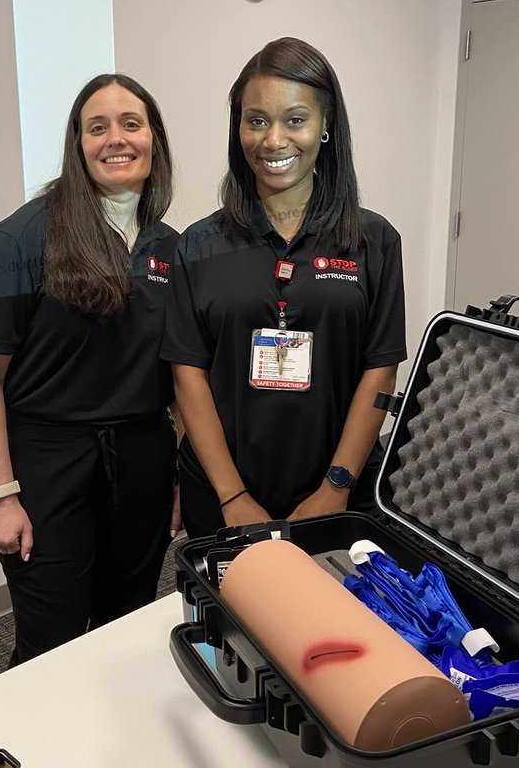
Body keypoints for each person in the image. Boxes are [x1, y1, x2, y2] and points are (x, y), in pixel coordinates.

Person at [0, 74, 179, 664]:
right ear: (77, 142)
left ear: (153, 139)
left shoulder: (169, 246)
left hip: (142, 461)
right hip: (47, 465)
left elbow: (179, 379)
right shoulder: (23, 237)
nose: (116, 139)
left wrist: (178, 475)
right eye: (98, 126)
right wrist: (1, 495)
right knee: (48, 646)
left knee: (125, 627)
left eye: (131, 124)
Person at [162, 37, 406, 537]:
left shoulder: (373, 240)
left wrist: (336, 486)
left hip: (340, 488)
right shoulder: (198, 246)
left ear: (326, 126)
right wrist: (232, 496)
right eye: (256, 121)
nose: (273, 140)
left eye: (295, 120)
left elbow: (379, 371)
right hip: (223, 492)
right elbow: (188, 378)